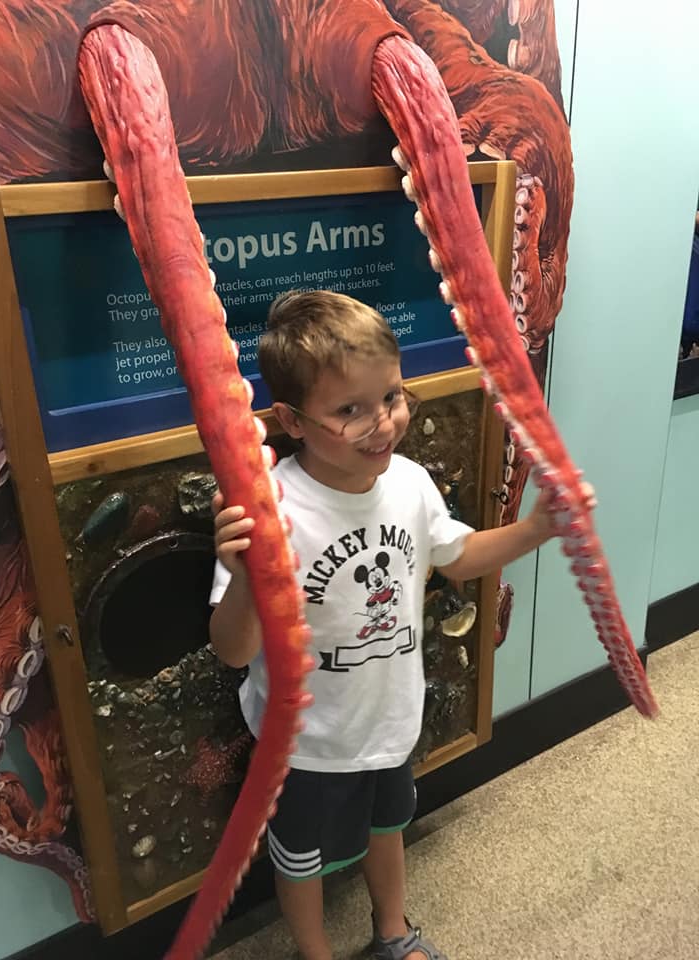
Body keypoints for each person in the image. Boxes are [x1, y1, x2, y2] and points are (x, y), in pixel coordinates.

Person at [209, 290, 594, 960]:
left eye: (389, 396)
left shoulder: (411, 483)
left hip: (389, 718)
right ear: (292, 421)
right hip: (302, 744)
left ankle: (393, 930)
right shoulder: (272, 508)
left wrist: (536, 529)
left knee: (389, 827)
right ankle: (314, 950)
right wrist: (244, 576)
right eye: (348, 410)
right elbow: (234, 649)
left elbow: (457, 555)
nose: (382, 423)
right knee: (300, 859)